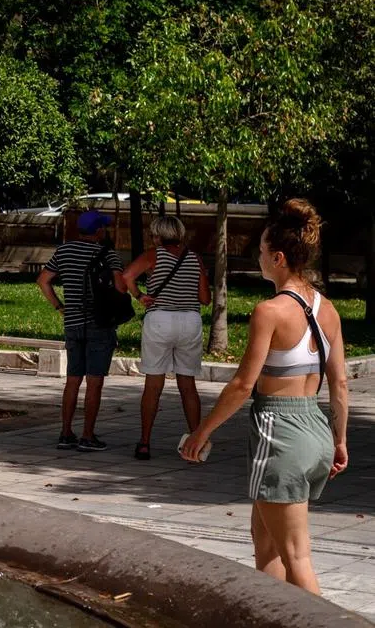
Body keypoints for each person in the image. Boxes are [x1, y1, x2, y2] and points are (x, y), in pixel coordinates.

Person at [181, 199, 348, 595]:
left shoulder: (270, 311)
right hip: (315, 429)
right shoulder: (329, 311)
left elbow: (242, 385)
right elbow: (339, 386)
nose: (256, 257)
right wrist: (339, 441)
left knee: (296, 557)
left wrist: (201, 432)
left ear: (278, 258)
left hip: (280, 433)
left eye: (259, 251)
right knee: (266, 544)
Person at [37, 209, 126, 451]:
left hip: (73, 324)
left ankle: (66, 433)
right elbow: (121, 288)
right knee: (94, 382)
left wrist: (59, 306)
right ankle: (88, 436)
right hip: (100, 324)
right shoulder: (108, 254)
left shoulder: (64, 251)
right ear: (98, 231)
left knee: (73, 380)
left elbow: (43, 280)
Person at [122, 216, 211, 460]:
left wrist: (139, 295)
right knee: (188, 385)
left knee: (153, 384)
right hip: (190, 321)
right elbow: (205, 299)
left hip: (160, 319)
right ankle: (196, 442)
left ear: (159, 235)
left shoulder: (154, 255)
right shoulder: (194, 258)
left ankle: (144, 442)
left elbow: (127, 275)